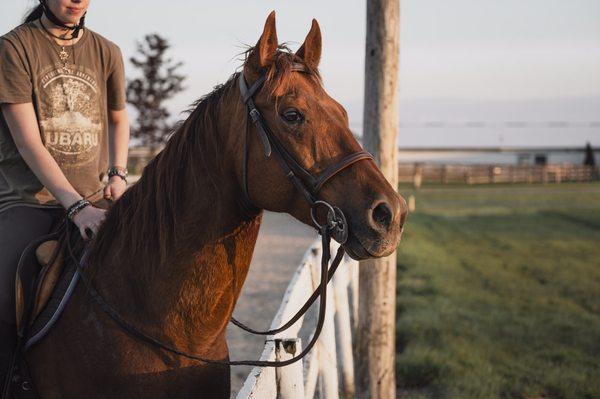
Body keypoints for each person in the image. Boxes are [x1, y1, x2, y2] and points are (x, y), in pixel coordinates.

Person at [0, 0, 130, 385]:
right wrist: (76, 208)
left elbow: (119, 120)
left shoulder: (107, 51)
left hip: (95, 198)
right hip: (29, 200)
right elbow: (29, 143)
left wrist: (119, 174)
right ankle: (11, 379)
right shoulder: (14, 48)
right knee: (6, 289)